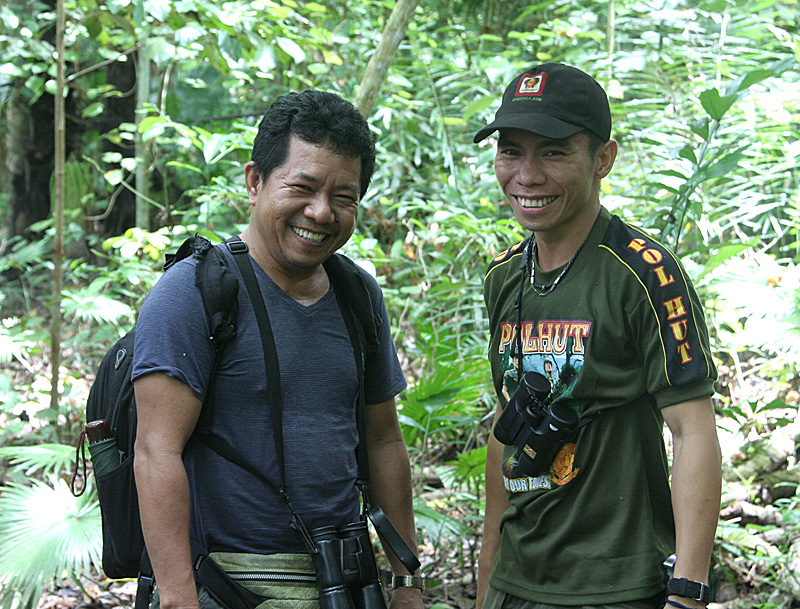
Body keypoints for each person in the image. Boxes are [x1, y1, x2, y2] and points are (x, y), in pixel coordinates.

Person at [132, 90, 423, 609]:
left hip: (342, 578)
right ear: (254, 180)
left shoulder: (358, 296)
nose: (320, 212)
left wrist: (406, 582)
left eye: (343, 197)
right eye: (302, 187)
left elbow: (383, 442)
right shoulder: (195, 292)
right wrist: (178, 598)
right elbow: (157, 452)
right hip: (227, 581)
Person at [473, 63, 722, 609]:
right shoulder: (503, 276)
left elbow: (692, 429)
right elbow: (505, 426)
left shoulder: (643, 273)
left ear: (603, 159)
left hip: (617, 583)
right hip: (517, 580)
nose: (527, 176)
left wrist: (687, 590)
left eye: (554, 152)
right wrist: (488, 570)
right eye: (511, 151)